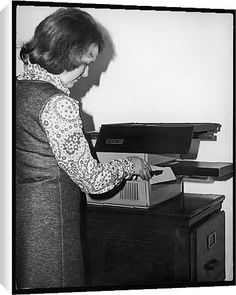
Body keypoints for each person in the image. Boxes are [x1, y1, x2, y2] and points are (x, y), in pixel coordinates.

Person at [16, 7, 152, 290]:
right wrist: (131, 165)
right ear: (67, 53)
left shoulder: (17, 89)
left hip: (20, 221)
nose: (89, 72)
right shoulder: (58, 104)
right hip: (51, 228)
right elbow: (93, 181)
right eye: (85, 61)